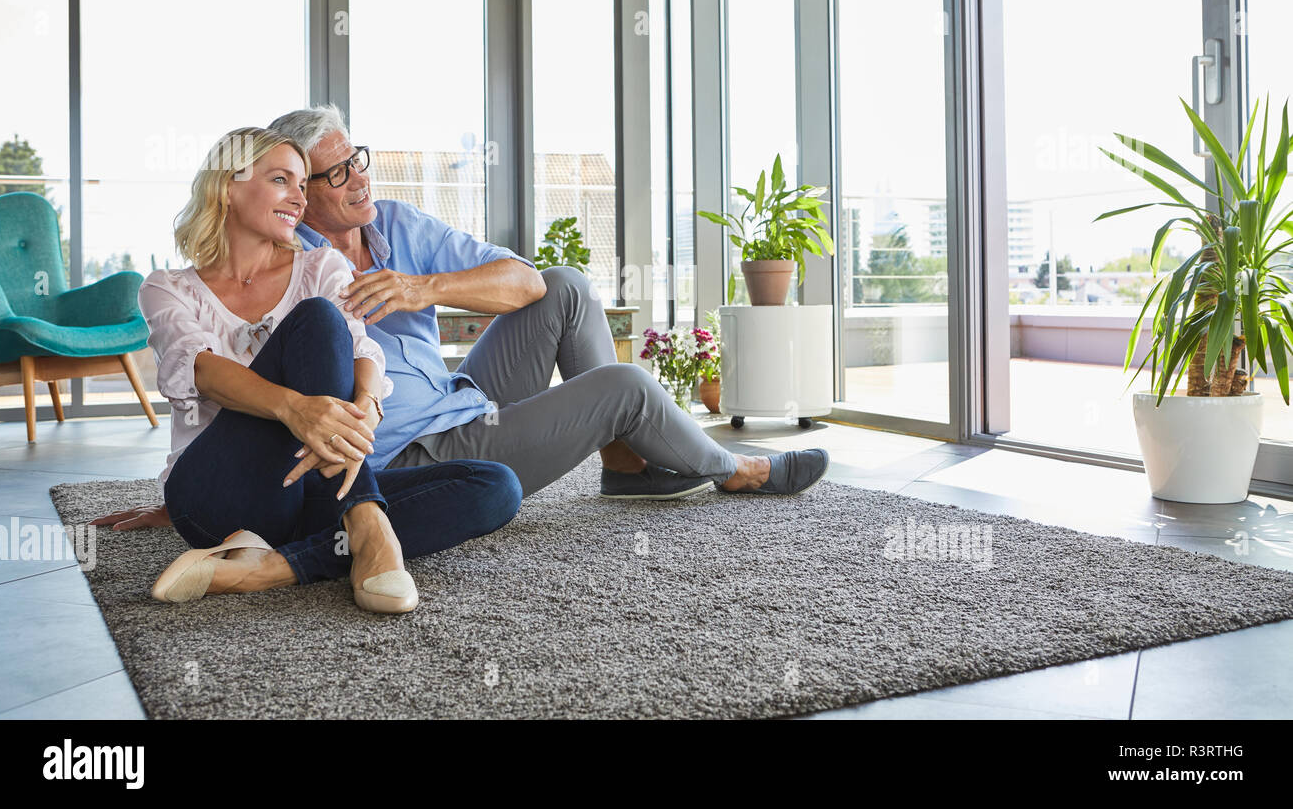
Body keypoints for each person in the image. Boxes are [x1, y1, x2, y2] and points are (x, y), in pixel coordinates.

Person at [94, 106, 828, 531]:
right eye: (332, 174)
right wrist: (192, 490)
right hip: (411, 447)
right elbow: (218, 378)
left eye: (359, 161)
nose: (359, 181)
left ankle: (624, 463)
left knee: (565, 286)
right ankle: (736, 469)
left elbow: (524, 282)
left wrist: (422, 289)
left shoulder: (396, 224)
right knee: (625, 388)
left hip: (453, 394)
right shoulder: (296, 260)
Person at [124, 127, 521, 614]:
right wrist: (296, 410)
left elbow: (363, 354)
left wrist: (368, 410)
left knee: (496, 486)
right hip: (217, 497)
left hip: (314, 491)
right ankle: (369, 526)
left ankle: (275, 566)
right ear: (227, 186)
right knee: (315, 318)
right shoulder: (168, 287)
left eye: (301, 183)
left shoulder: (320, 266)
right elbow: (200, 369)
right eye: (280, 180)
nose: (298, 197)